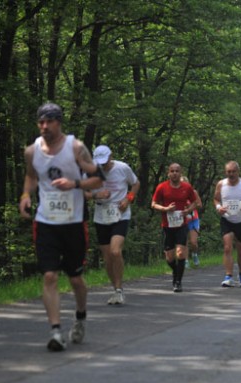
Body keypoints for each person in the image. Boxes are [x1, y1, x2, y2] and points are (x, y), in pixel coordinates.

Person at [19, 102, 104, 352]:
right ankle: (55, 331)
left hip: (73, 222)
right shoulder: (31, 151)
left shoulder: (75, 148)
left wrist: (75, 184)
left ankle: (80, 317)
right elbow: (31, 176)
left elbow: (98, 179)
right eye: (41, 122)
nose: (44, 126)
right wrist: (25, 195)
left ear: (59, 122)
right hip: (46, 221)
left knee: (75, 278)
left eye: (49, 121)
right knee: (49, 275)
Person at [86, 145, 140, 305]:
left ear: (111, 156)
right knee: (107, 257)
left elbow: (136, 183)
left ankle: (119, 291)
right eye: (100, 162)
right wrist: (96, 194)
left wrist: (128, 199)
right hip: (101, 215)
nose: (102, 165)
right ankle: (116, 289)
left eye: (105, 162)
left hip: (120, 214)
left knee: (115, 251)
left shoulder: (122, 168)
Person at [151, 163, 199, 293]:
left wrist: (187, 210)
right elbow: (153, 204)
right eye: (172, 171)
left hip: (182, 225)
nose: (174, 173)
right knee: (170, 258)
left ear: (180, 173)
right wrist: (165, 209)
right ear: (168, 173)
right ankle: (176, 271)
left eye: (177, 171)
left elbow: (195, 202)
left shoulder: (187, 187)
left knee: (181, 253)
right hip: (167, 226)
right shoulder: (162, 187)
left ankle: (178, 282)